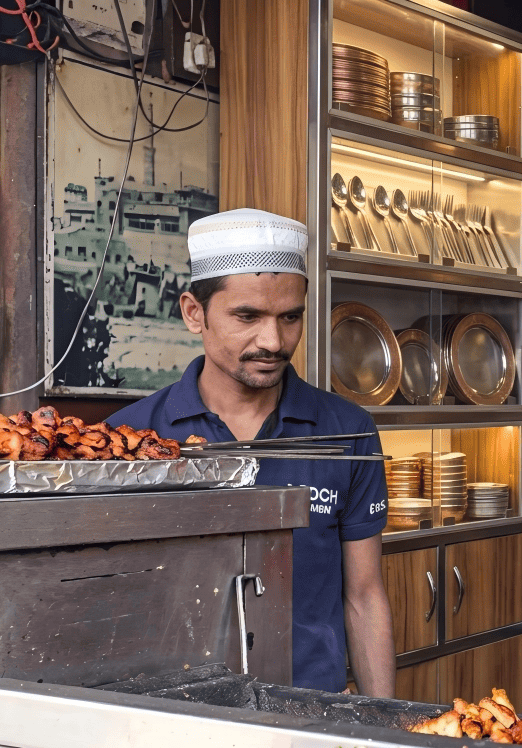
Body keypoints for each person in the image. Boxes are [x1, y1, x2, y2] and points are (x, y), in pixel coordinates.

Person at [108, 209, 395, 697]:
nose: (274, 341)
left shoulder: (347, 431)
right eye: (247, 317)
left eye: (290, 317)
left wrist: (386, 729)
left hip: (311, 708)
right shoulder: (130, 437)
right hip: (174, 712)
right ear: (193, 312)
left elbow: (364, 596)